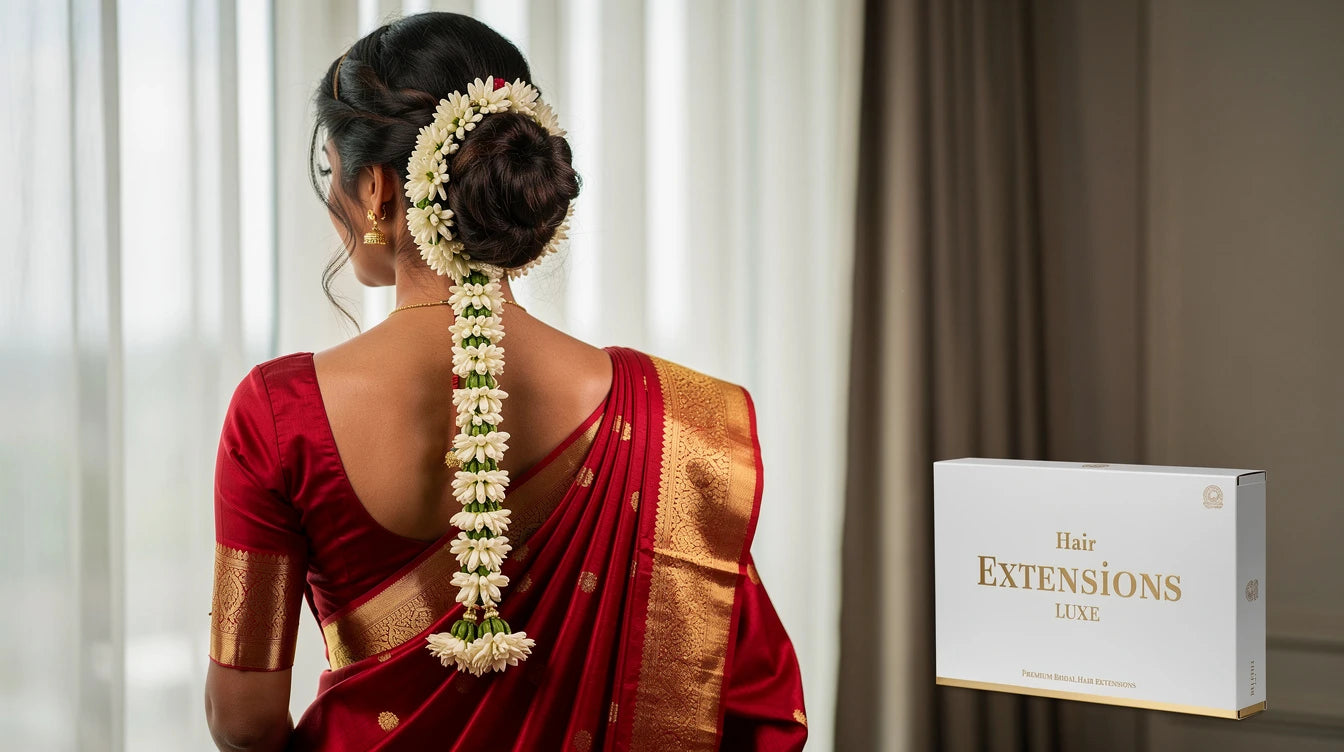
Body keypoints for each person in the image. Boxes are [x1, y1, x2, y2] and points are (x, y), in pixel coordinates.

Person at [203, 12, 806, 751]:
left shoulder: (276, 413)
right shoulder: (675, 420)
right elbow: (758, 710)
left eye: (333, 174)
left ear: (377, 188)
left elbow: (243, 723)